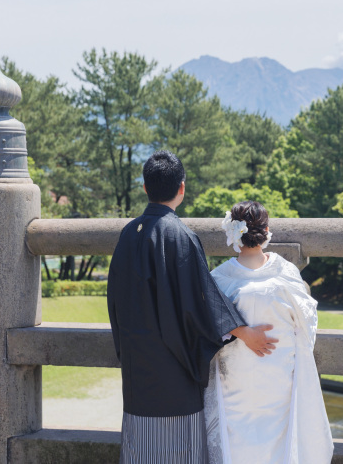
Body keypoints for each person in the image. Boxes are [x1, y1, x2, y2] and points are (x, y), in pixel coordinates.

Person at [107, 151, 278, 464]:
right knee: (177, 451)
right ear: (182, 189)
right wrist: (243, 331)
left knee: (140, 451)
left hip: (136, 368)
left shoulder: (128, 234)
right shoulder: (181, 237)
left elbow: (115, 302)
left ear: (145, 188)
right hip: (173, 369)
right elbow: (200, 300)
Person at [205, 201, 334, 464]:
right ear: (266, 230)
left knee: (235, 438)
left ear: (232, 233)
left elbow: (205, 328)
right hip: (278, 374)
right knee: (279, 438)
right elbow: (306, 326)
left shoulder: (219, 279)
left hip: (235, 378)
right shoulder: (285, 273)